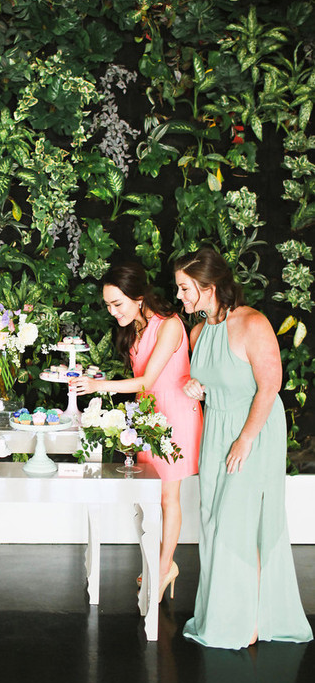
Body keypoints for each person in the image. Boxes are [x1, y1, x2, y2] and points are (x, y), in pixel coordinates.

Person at [175, 246, 312, 649]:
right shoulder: (200, 330)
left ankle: (248, 622)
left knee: (241, 522)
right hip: (217, 428)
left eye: (185, 289)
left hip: (252, 430)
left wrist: (246, 438)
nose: (181, 296)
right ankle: (228, 615)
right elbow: (200, 380)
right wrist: (191, 386)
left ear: (209, 286)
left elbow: (270, 385)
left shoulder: (252, 323)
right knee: (216, 522)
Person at [70, 263, 202, 601]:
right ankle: (158, 562)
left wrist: (98, 385)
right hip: (146, 419)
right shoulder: (135, 328)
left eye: (118, 304)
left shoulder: (169, 326)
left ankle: (163, 567)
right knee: (147, 496)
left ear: (138, 297)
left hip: (174, 419)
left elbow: (146, 381)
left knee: (167, 498)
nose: (113, 312)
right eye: (109, 306)